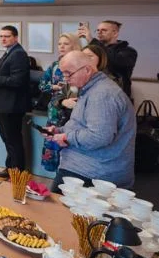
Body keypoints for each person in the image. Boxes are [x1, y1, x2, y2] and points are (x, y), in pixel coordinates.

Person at [47, 51, 136, 190]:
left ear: (87, 70)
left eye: (69, 74)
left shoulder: (101, 95)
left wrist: (66, 137)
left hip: (93, 172)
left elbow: (99, 136)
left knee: (52, 203)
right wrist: (59, 131)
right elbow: (82, 125)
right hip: (86, 166)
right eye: (63, 74)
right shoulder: (91, 89)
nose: (65, 79)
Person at [0, 25, 30, 180]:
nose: (3, 39)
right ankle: (10, 169)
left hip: (12, 106)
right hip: (4, 104)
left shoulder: (18, 54)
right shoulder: (9, 53)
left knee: (13, 141)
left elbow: (17, 81)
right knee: (7, 139)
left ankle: (17, 175)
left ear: (16, 37)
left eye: (7, 36)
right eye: (1, 36)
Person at [37, 33, 81, 172]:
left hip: (73, 113)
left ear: (74, 45)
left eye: (66, 44)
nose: (61, 46)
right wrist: (53, 87)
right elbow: (42, 85)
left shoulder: (80, 66)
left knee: (69, 149)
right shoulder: (55, 66)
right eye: (59, 44)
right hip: (55, 111)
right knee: (53, 142)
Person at [79, 20, 137, 98]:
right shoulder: (96, 49)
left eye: (104, 30)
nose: (99, 32)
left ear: (115, 33)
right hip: (95, 92)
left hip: (116, 96)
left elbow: (114, 60)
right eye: (98, 30)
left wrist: (92, 41)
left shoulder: (129, 51)